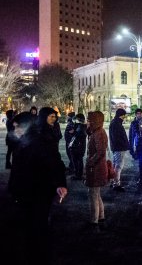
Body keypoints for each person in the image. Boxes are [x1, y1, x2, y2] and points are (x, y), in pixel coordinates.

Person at [8, 111, 67, 264]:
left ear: (27, 126)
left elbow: (56, 164)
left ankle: (39, 256)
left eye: (17, 127)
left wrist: (60, 184)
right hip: (23, 194)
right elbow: (17, 169)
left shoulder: (41, 142)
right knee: (27, 229)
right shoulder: (22, 142)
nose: (15, 131)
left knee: (37, 229)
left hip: (38, 194)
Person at [85, 111, 109, 229]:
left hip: (96, 168)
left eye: (88, 121)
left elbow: (100, 152)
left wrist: (90, 162)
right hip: (96, 167)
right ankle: (100, 216)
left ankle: (94, 220)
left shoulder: (99, 133)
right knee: (96, 193)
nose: (86, 122)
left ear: (94, 122)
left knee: (93, 193)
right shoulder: (96, 132)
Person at [109, 108, 130, 191]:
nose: (125, 117)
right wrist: (125, 145)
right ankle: (116, 184)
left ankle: (113, 181)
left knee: (115, 165)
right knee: (118, 166)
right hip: (119, 148)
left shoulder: (114, 122)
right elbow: (118, 137)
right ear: (122, 115)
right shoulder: (116, 124)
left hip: (116, 147)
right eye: (124, 115)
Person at [69, 113, 87, 180]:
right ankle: (78, 174)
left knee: (78, 161)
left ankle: (78, 175)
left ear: (79, 119)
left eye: (76, 119)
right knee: (78, 161)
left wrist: (74, 133)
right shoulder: (80, 126)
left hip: (78, 148)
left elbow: (79, 137)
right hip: (78, 147)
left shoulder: (81, 127)